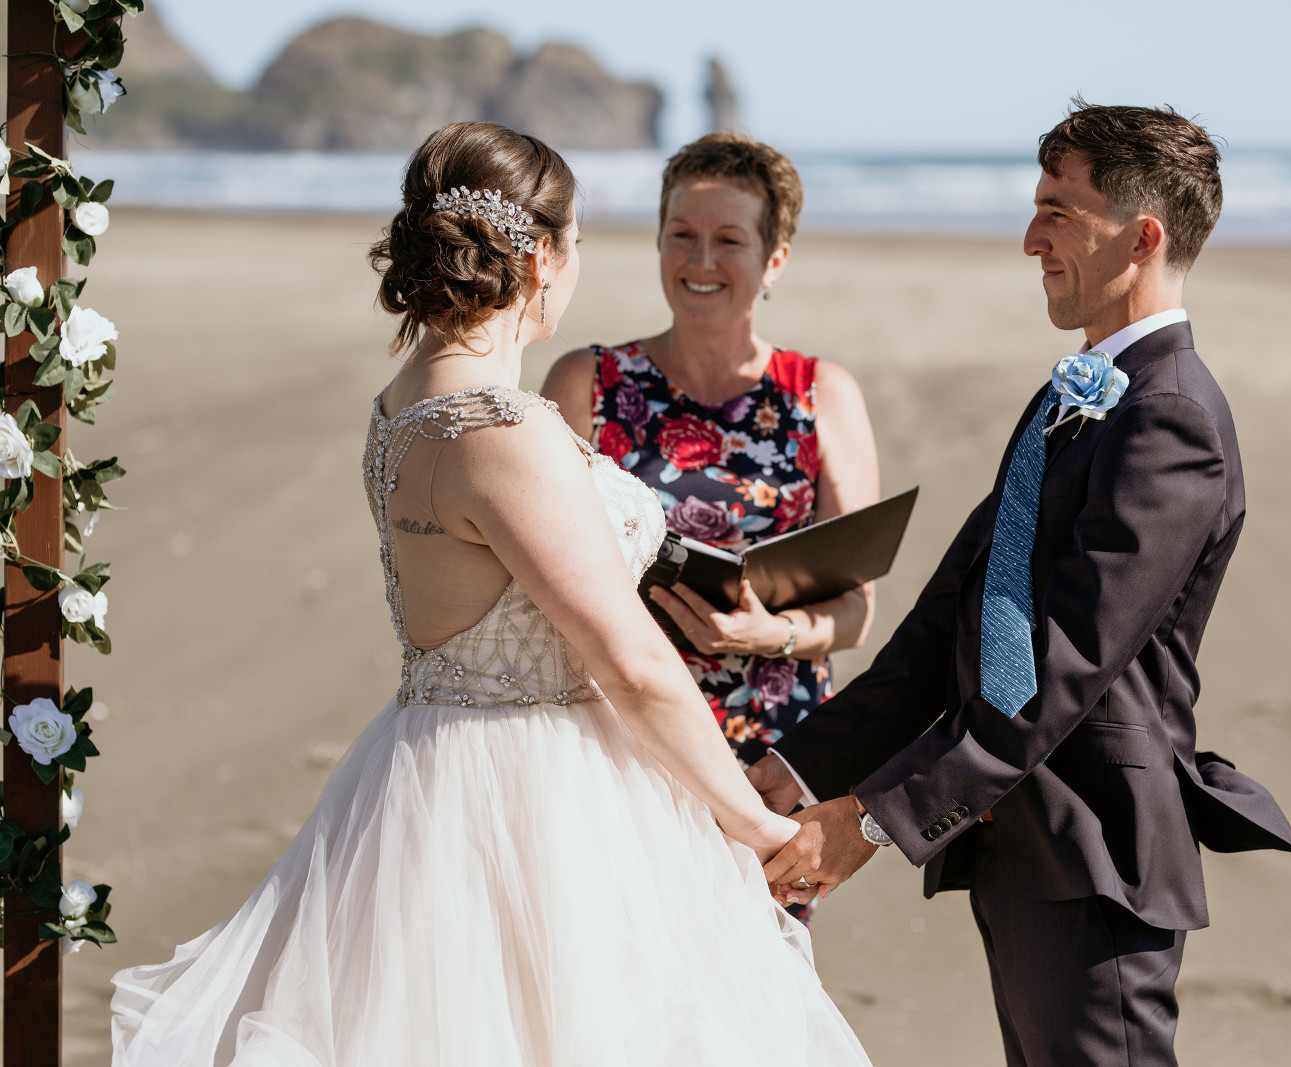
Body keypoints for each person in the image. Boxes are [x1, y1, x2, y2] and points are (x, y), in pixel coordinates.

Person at [109, 121, 870, 1066]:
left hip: (427, 767)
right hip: (542, 799)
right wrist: (749, 826)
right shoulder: (504, 430)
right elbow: (631, 663)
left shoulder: (403, 403)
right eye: (576, 242)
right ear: (540, 257)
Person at [746, 101, 1291, 1066]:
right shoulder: (1071, 393)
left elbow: (1064, 664)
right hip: (1021, 840)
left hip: (1096, 849)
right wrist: (792, 769)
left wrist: (874, 819)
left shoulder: (1172, 418)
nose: (1029, 238)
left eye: (1058, 211)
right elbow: (948, 625)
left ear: (1142, 237)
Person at [543, 132, 880, 775]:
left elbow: (855, 611)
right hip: (617, 738)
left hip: (777, 748)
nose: (700, 261)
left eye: (729, 240)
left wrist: (771, 634)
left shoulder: (823, 394)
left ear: (774, 260)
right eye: (681, 234)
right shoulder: (586, 383)